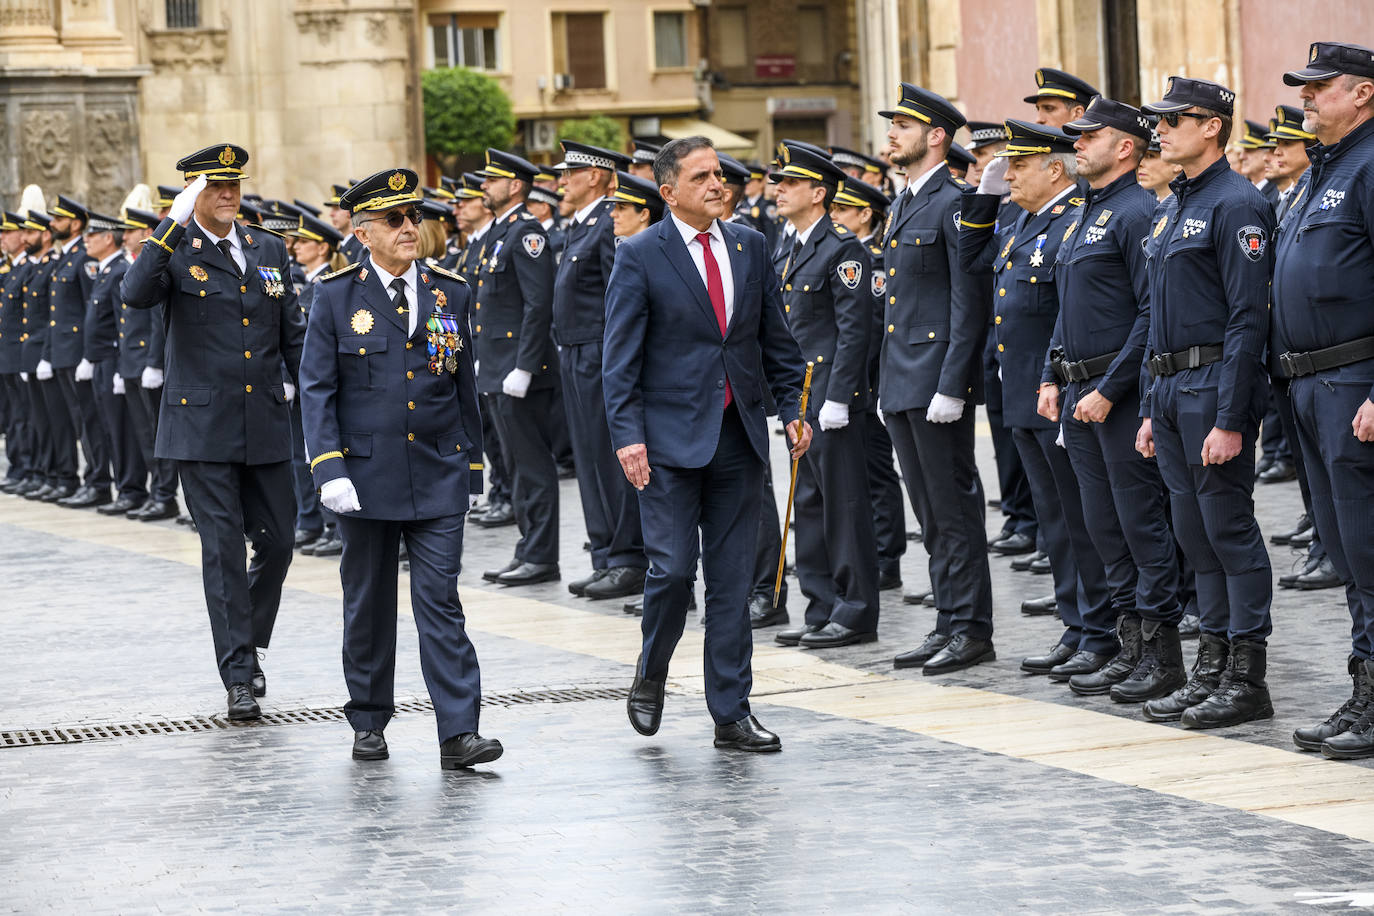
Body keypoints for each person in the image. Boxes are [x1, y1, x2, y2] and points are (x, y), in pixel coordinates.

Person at [603, 135, 809, 751]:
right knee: (669, 573)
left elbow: (776, 340)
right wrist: (627, 437)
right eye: (701, 177)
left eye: (718, 173)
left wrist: (792, 408)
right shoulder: (640, 254)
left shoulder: (750, 246)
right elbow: (620, 360)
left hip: (736, 437)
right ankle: (653, 669)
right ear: (668, 193)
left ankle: (731, 712)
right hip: (665, 443)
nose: (718, 184)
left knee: (731, 580)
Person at [298, 167, 501, 770]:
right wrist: (328, 469)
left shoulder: (450, 291)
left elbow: (463, 384)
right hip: (363, 478)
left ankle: (459, 731)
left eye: (414, 216)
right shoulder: (335, 296)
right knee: (368, 601)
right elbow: (317, 389)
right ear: (363, 232)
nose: (410, 227)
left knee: (440, 600)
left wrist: (473, 465)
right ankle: (367, 718)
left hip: (437, 469)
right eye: (394, 219)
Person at [120, 143, 305, 721]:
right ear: (192, 193)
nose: (228, 195)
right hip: (201, 426)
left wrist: (319, 398)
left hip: (265, 421)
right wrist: (168, 226)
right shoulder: (174, 249)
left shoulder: (266, 246)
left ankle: (245, 641)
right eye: (214, 187)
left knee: (279, 540)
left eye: (234, 186)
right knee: (223, 548)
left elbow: (290, 330)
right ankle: (239, 674)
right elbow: (134, 293)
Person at [1037, 96, 1188, 701]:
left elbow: (1151, 313)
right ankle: (1128, 646)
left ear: (1124, 145)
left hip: (1116, 396)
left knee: (1140, 525)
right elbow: (1066, 306)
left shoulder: (1135, 212)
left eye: (1087, 135)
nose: (1075, 143)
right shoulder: (1082, 213)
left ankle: (1162, 654)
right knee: (1103, 527)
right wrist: (1052, 373)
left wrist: (1108, 388)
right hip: (1078, 392)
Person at [1136, 77, 1276, 730]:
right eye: (1159, 121)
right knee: (1194, 536)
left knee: (1227, 531)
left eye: (1174, 120)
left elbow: (1248, 318)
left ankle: (1246, 675)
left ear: (1212, 126)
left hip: (1210, 383)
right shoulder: (1173, 206)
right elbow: (1155, 314)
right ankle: (1211, 666)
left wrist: (1229, 417)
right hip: (1168, 390)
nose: (1160, 131)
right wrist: (1146, 406)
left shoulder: (1236, 204)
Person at [962, 120, 1114, 680]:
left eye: (1018, 165)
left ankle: (1100, 631)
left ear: (1056, 169)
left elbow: (1068, 316)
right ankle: (1077, 625)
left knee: (1079, 519)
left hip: (1056, 391)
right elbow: (971, 259)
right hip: (1021, 393)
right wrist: (983, 193)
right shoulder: (1019, 221)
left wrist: (1055, 378)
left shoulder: (1074, 219)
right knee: (1054, 520)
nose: (1006, 175)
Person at [1271, 42, 1374, 759]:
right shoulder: (1323, 171)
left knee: (1369, 549)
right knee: (1343, 547)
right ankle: (1365, 688)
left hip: (1354, 380)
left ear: (1363, 93)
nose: (1307, 97)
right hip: (1309, 384)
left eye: (1320, 86)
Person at [876, 83, 995, 675]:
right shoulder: (904, 202)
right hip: (902, 379)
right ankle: (949, 619)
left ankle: (971, 628)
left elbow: (966, 303)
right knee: (927, 510)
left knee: (952, 508)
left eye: (903, 124)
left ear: (936, 136)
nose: (892, 132)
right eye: (891, 123)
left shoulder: (955, 201)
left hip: (934, 381)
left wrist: (953, 384)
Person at [767, 141, 878, 650]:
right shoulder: (792, 244)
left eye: (789, 183)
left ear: (818, 192)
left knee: (843, 504)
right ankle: (820, 605)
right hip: (801, 397)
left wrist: (839, 398)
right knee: (807, 502)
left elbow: (854, 331)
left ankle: (854, 610)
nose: (778, 190)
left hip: (830, 399)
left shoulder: (842, 247)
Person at [550, 141, 648, 602]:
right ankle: (605, 553)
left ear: (595, 176)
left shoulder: (607, 223)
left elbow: (617, 298)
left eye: (570, 173)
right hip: (574, 350)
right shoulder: (582, 225)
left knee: (611, 458)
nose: (561, 181)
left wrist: (616, 359)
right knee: (588, 456)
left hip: (598, 351)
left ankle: (627, 556)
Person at [474, 149, 561, 587]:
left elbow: (537, 303)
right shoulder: (497, 233)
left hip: (518, 374)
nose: (483, 187)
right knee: (514, 467)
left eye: (492, 180)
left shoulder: (526, 233)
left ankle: (541, 554)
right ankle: (528, 548)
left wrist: (525, 365)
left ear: (514, 186)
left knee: (532, 467)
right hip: (497, 369)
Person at [828, 175, 907, 592]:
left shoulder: (873, 259)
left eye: (843, 210)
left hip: (874, 381)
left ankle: (886, 557)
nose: (835, 216)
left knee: (877, 472)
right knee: (858, 472)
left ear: (865, 214)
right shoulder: (849, 253)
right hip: (857, 381)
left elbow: (873, 329)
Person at [113, 206, 179, 522]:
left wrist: (154, 362)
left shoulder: (156, 262)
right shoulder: (135, 263)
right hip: (132, 362)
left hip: (148, 363)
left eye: (129, 230)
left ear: (144, 233)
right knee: (144, 434)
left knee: (158, 436)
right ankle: (157, 493)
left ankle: (165, 495)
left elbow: (157, 317)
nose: (123, 236)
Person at [81, 210, 146, 517]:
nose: (86, 240)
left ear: (109, 238)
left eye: (91, 235)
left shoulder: (119, 269)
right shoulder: (106, 270)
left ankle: (131, 488)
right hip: (101, 360)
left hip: (113, 359)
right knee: (108, 427)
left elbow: (123, 324)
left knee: (121, 429)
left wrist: (120, 365)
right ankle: (123, 486)